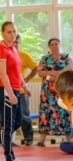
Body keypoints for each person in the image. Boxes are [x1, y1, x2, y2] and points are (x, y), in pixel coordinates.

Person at [0, 21, 30, 161]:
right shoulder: (1, 49)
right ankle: (9, 156)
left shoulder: (13, 49)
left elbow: (17, 71)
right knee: (8, 125)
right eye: (9, 32)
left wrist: (25, 86)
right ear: (2, 33)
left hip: (17, 89)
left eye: (14, 31)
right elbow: (3, 74)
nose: (12, 34)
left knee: (17, 122)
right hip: (6, 90)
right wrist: (10, 94)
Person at [37, 37, 73, 147]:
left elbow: (71, 67)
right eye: (52, 44)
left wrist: (55, 73)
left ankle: (70, 139)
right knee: (45, 112)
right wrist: (52, 73)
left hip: (62, 90)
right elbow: (40, 73)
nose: (54, 46)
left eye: (56, 44)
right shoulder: (44, 58)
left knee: (64, 112)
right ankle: (41, 140)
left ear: (59, 45)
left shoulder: (66, 57)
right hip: (47, 92)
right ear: (49, 46)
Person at [14, 34, 37, 146]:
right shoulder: (4, 54)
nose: (14, 44)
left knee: (24, 116)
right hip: (6, 90)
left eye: (16, 42)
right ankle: (7, 140)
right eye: (12, 42)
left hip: (21, 91)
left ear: (19, 43)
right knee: (7, 116)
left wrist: (26, 80)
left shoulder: (23, 55)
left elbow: (35, 68)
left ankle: (28, 138)